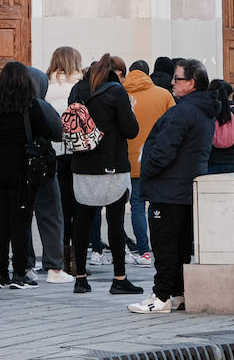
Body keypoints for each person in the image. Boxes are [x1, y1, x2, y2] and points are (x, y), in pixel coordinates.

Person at [129, 58, 217, 314]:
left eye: (177, 78)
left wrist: (149, 169)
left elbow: (163, 151)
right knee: (179, 245)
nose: (172, 83)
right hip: (185, 188)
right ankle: (177, 292)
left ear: (191, 83)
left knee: (165, 244)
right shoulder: (202, 110)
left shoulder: (184, 111)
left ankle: (161, 295)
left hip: (169, 188)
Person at [0, 61, 62, 290]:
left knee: (0, 221)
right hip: (21, 168)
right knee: (20, 221)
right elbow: (52, 132)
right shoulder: (31, 106)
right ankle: (19, 274)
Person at [68, 53, 143, 295]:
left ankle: (80, 278)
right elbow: (130, 130)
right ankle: (119, 278)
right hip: (112, 165)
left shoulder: (77, 90)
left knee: (83, 220)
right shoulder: (116, 92)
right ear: (115, 73)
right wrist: (129, 108)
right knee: (115, 221)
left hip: (82, 165)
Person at [25, 65, 73, 283]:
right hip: (42, 166)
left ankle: (24, 265)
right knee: (51, 215)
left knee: (20, 218)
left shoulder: (4, 105)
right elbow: (57, 132)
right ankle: (54, 266)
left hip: (16, 168)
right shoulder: (41, 106)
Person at [124, 59, 174, 265]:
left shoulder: (121, 94)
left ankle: (143, 250)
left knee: (136, 204)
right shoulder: (163, 95)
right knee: (157, 205)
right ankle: (160, 246)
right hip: (156, 158)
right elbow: (173, 124)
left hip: (128, 159)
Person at [46, 46, 85, 273]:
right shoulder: (80, 87)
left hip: (54, 153)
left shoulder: (46, 88)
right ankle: (78, 260)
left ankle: (60, 254)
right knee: (79, 207)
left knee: (59, 207)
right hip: (78, 152)